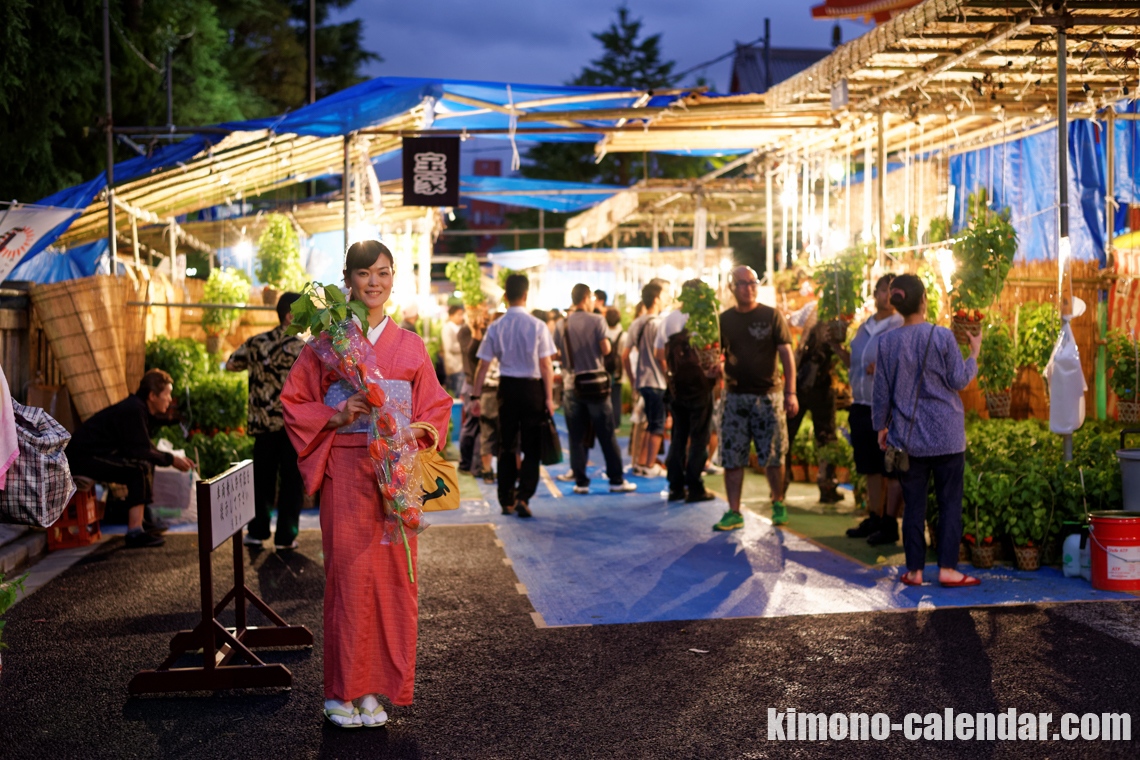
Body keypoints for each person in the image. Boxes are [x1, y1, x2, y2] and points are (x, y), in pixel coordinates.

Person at [281, 240, 452, 728]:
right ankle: (340, 692)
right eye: (363, 274)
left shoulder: (412, 345)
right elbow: (294, 403)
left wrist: (421, 430)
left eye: (382, 272)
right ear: (347, 279)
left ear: (393, 277)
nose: (373, 282)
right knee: (350, 582)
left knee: (395, 583)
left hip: (397, 476)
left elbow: (435, 405)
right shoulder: (325, 344)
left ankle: (374, 689)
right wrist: (338, 413)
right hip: (350, 475)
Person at [872, 273, 982, 587]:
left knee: (914, 506)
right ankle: (948, 569)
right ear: (924, 300)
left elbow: (881, 392)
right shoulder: (942, 336)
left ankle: (915, 571)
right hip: (947, 437)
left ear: (896, 304)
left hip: (908, 439)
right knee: (950, 504)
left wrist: (881, 427)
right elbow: (959, 381)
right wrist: (974, 354)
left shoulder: (887, 342)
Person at [66, 369, 194, 548]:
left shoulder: (139, 408)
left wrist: (169, 458)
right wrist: (171, 459)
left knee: (146, 465)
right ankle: (134, 531)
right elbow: (140, 451)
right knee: (138, 470)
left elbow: (144, 449)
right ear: (152, 395)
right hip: (83, 458)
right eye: (167, 394)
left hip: (96, 455)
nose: (169, 400)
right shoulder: (133, 409)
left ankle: (143, 519)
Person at [713, 265, 798, 530]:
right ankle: (734, 511)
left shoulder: (771, 316)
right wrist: (714, 369)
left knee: (774, 455)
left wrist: (790, 392)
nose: (748, 288)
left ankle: (778, 502)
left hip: (768, 396)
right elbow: (717, 355)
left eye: (752, 282)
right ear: (731, 288)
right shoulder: (723, 320)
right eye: (742, 283)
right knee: (732, 456)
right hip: (734, 397)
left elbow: (786, 355)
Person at [225, 292, 306, 550]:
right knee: (292, 483)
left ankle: (258, 532)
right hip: (295, 426)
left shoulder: (256, 343)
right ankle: (286, 537)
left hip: (263, 425)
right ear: (290, 315)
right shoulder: (304, 348)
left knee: (262, 481)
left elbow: (231, 365)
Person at [472, 274, 556, 518]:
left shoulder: (496, 326)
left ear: (505, 297)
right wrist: (549, 399)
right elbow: (546, 365)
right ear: (526, 295)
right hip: (533, 390)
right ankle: (524, 497)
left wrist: (476, 396)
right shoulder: (538, 325)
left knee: (507, 446)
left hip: (506, 389)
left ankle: (506, 500)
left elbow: (483, 366)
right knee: (532, 448)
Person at [837, 274, 904, 544]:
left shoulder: (899, 325)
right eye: (882, 290)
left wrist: (884, 368)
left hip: (888, 407)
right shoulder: (864, 327)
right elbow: (854, 364)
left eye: (892, 291)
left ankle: (890, 523)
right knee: (870, 467)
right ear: (875, 293)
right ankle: (874, 516)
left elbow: (906, 364)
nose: (886, 296)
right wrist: (835, 347)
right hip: (861, 404)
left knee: (890, 467)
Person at [553, 283, 637, 496]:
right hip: (596, 386)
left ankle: (581, 481)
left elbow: (557, 353)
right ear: (586, 298)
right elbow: (606, 348)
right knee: (606, 433)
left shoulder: (561, 325)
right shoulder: (597, 320)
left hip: (572, 384)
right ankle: (616, 480)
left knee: (576, 436)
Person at [656, 279, 717, 503]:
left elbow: (659, 355)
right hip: (700, 386)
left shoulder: (669, 318)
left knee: (678, 437)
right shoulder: (705, 318)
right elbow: (713, 351)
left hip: (676, 388)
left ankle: (675, 487)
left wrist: (671, 375)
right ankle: (695, 486)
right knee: (699, 437)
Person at [785, 308, 842, 504]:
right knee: (826, 438)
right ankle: (827, 487)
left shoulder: (813, 310)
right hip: (819, 385)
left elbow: (791, 321)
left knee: (789, 435)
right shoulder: (839, 314)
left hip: (802, 383)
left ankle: (780, 486)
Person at [623, 280, 671, 477]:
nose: (668, 297)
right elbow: (661, 357)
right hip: (658, 382)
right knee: (657, 425)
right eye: (666, 293)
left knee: (649, 423)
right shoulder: (660, 324)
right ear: (657, 298)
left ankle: (642, 463)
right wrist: (668, 377)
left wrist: (633, 379)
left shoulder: (637, 323)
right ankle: (650, 465)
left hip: (642, 381)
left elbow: (624, 356)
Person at [456, 307, 485, 477]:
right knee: (472, 426)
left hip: (480, 385)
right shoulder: (465, 331)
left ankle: (476, 465)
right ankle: (466, 464)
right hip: (471, 385)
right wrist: (476, 330)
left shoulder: (484, 330)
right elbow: (471, 353)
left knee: (479, 427)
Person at [475, 313, 503, 485]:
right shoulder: (510, 341)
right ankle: (506, 471)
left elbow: (481, 366)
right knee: (506, 435)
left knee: (487, 433)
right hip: (505, 392)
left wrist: (475, 395)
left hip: (487, 391)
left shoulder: (488, 339)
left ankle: (487, 472)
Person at [603, 306, 625, 431]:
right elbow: (623, 354)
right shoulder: (623, 335)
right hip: (618, 371)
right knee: (616, 398)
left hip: (605, 370)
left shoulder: (604, 333)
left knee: (606, 397)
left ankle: (606, 422)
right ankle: (616, 424)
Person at [441, 304, 466, 397]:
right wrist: (465, 346)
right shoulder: (447, 328)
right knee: (455, 394)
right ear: (451, 316)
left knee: (458, 393)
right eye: (459, 315)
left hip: (460, 366)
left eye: (462, 314)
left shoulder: (459, 327)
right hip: (454, 367)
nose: (461, 317)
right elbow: (450, 346)